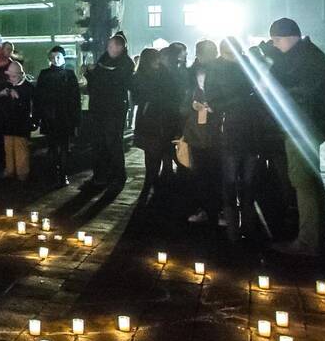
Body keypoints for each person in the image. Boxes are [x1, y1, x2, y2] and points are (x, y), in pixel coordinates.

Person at [266, 18, 325, 255]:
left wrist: (274, 90)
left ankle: (308, 242)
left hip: (301, 127)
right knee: (310, 181)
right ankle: (315, 235)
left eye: (277, 40)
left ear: (290, 36)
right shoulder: (308, 55)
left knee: (303, 182)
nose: (275, 45)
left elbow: (300, 93)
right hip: (307, 125)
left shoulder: (304, 58)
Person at [206, 39, 261, 242]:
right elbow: (213, 100)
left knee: (246, 181)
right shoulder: (218, 69)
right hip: (231, 129)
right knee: (232, 181)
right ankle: (234, 230)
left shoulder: (245, 65)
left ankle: (246, 225)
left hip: (247, 129)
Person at [83, 33, 134, 189]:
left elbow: (117, 82)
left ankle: (118, 176)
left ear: (120, 47)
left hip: (114, 109)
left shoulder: (126, 63)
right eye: (109, 46)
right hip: (98, 108)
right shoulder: (103, 60)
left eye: (113, 46)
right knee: (98, 143)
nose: (109, 48)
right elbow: (96, 82)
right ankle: (100, 175)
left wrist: (97, 72)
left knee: (112, 142)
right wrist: (88, 73)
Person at [131, 48, 181, 201]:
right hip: (151, 119)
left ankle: (156, 183)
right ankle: (151, 182)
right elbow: (138, 96)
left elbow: (173, 94)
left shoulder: (163, 74)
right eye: (155, 58)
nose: (158, 61)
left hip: (161, 119)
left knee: (160, 150)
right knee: (153, 152)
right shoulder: (142, 76)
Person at [184, 40, 223, 225]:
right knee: (200, 172)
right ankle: (205, 208)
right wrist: (191, 105)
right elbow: (183, 99)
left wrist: (215, 107)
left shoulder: (223, 72)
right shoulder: (191, 74)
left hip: (218, 130)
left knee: (218, 171)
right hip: (197, 131)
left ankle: (220, 209)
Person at [35, 45, 81, 186]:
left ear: (63, 58)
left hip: (64, 117)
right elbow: (38, 97)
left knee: (64, 148)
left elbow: (75, 99)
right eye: (53, 57)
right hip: (50, 117)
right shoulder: (44, 74)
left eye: (58, 57)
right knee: (53, 147)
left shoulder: (69, 74)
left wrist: (76, 119)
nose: (55, 60)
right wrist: (37, 116)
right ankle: (55, 173)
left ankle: (63, 174)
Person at [0, 60, 36, 185]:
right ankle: (10, 170)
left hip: (21, 123)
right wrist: (1, 95)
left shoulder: (28, 87)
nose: (11, 79)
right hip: (8, 122)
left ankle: (22, 173)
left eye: (13, 76)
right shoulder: (8, 85)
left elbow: (33, 106)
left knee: (20, 147)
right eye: (9, 76)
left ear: (21, 75)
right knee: (8, 147)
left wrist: (18, 97)